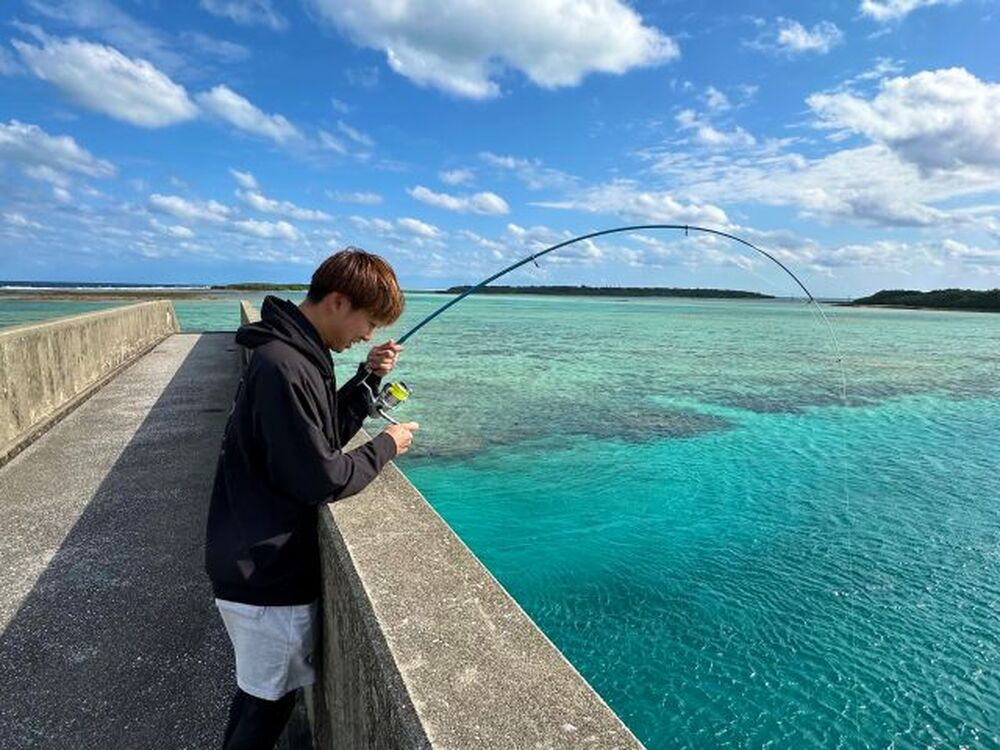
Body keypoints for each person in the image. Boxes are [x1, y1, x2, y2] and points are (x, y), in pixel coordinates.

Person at [204, 248, 419, 749]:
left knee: (258, 699)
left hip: (251, 557)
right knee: (264, 710)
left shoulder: (296, 353)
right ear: (339, 301)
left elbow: (317, 436)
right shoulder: (285, 366)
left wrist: (368, 377)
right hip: (263, 569)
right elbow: (322, 476)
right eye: (369, 322)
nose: (367, 335)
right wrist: (386, 446)